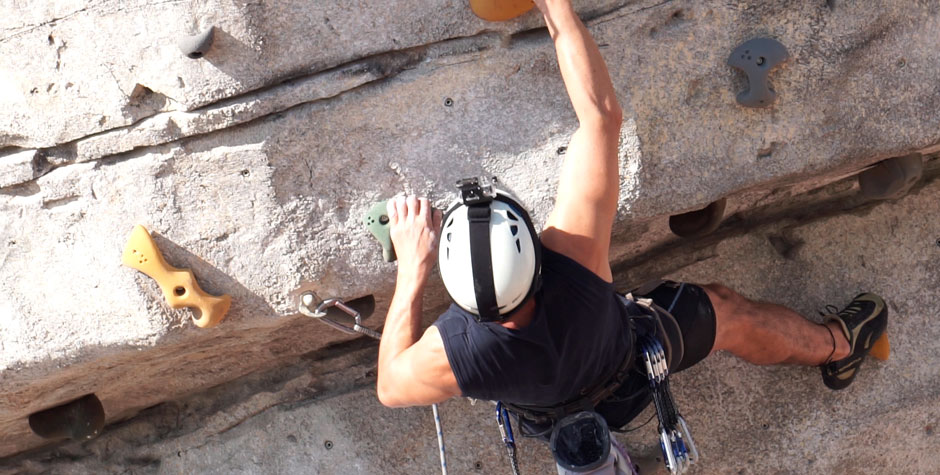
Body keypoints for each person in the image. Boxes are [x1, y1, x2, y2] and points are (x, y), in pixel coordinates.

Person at [375, 0, 888, 471]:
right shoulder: (572, 259)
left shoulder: (450, 351)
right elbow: (601, 119)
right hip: (631, 371)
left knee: (571, 408)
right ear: (533, 253)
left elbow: (390, 387)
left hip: (548, 409)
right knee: (727, 311)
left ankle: (593, 453)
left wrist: (412, 272)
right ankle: (838, 347)